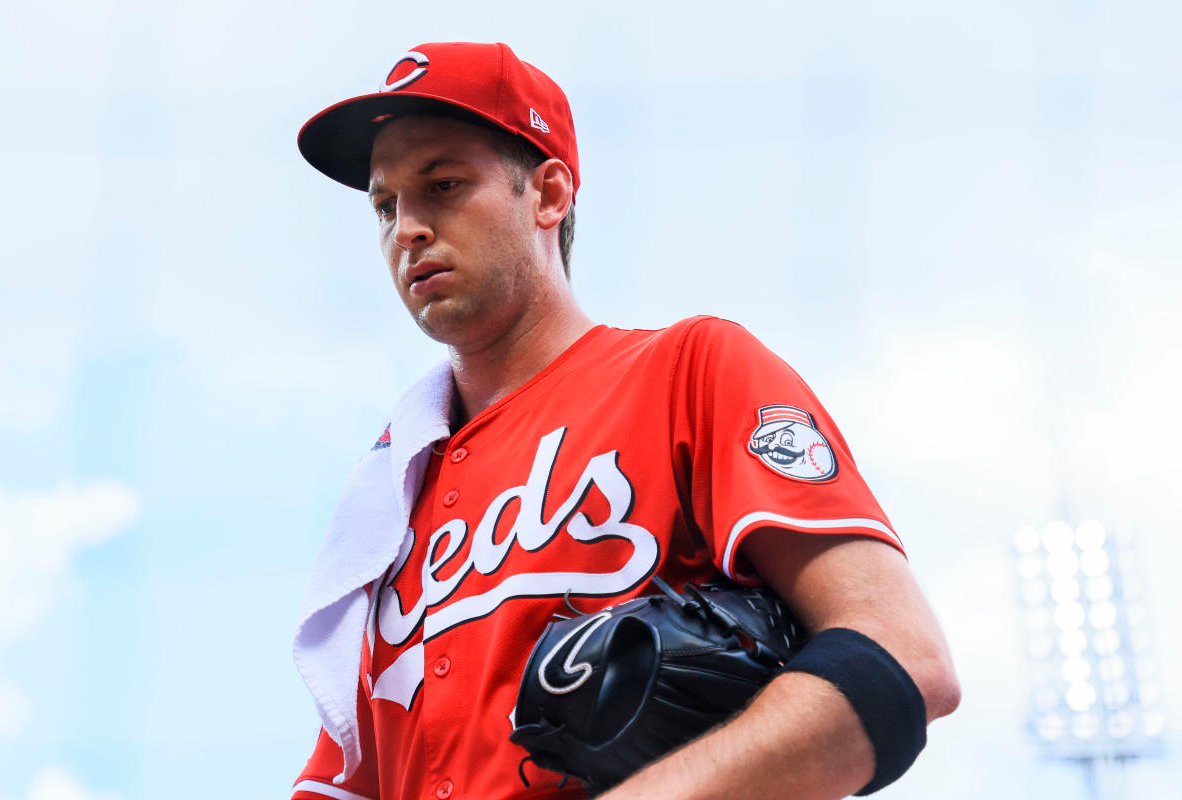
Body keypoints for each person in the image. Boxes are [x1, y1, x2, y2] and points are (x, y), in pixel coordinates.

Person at [289, 41, 960, 800]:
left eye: (443, 184)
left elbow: (901, 656)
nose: (406, 228)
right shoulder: (383, 502)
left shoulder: (689, 372)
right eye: (385, 205)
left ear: (548, 194)